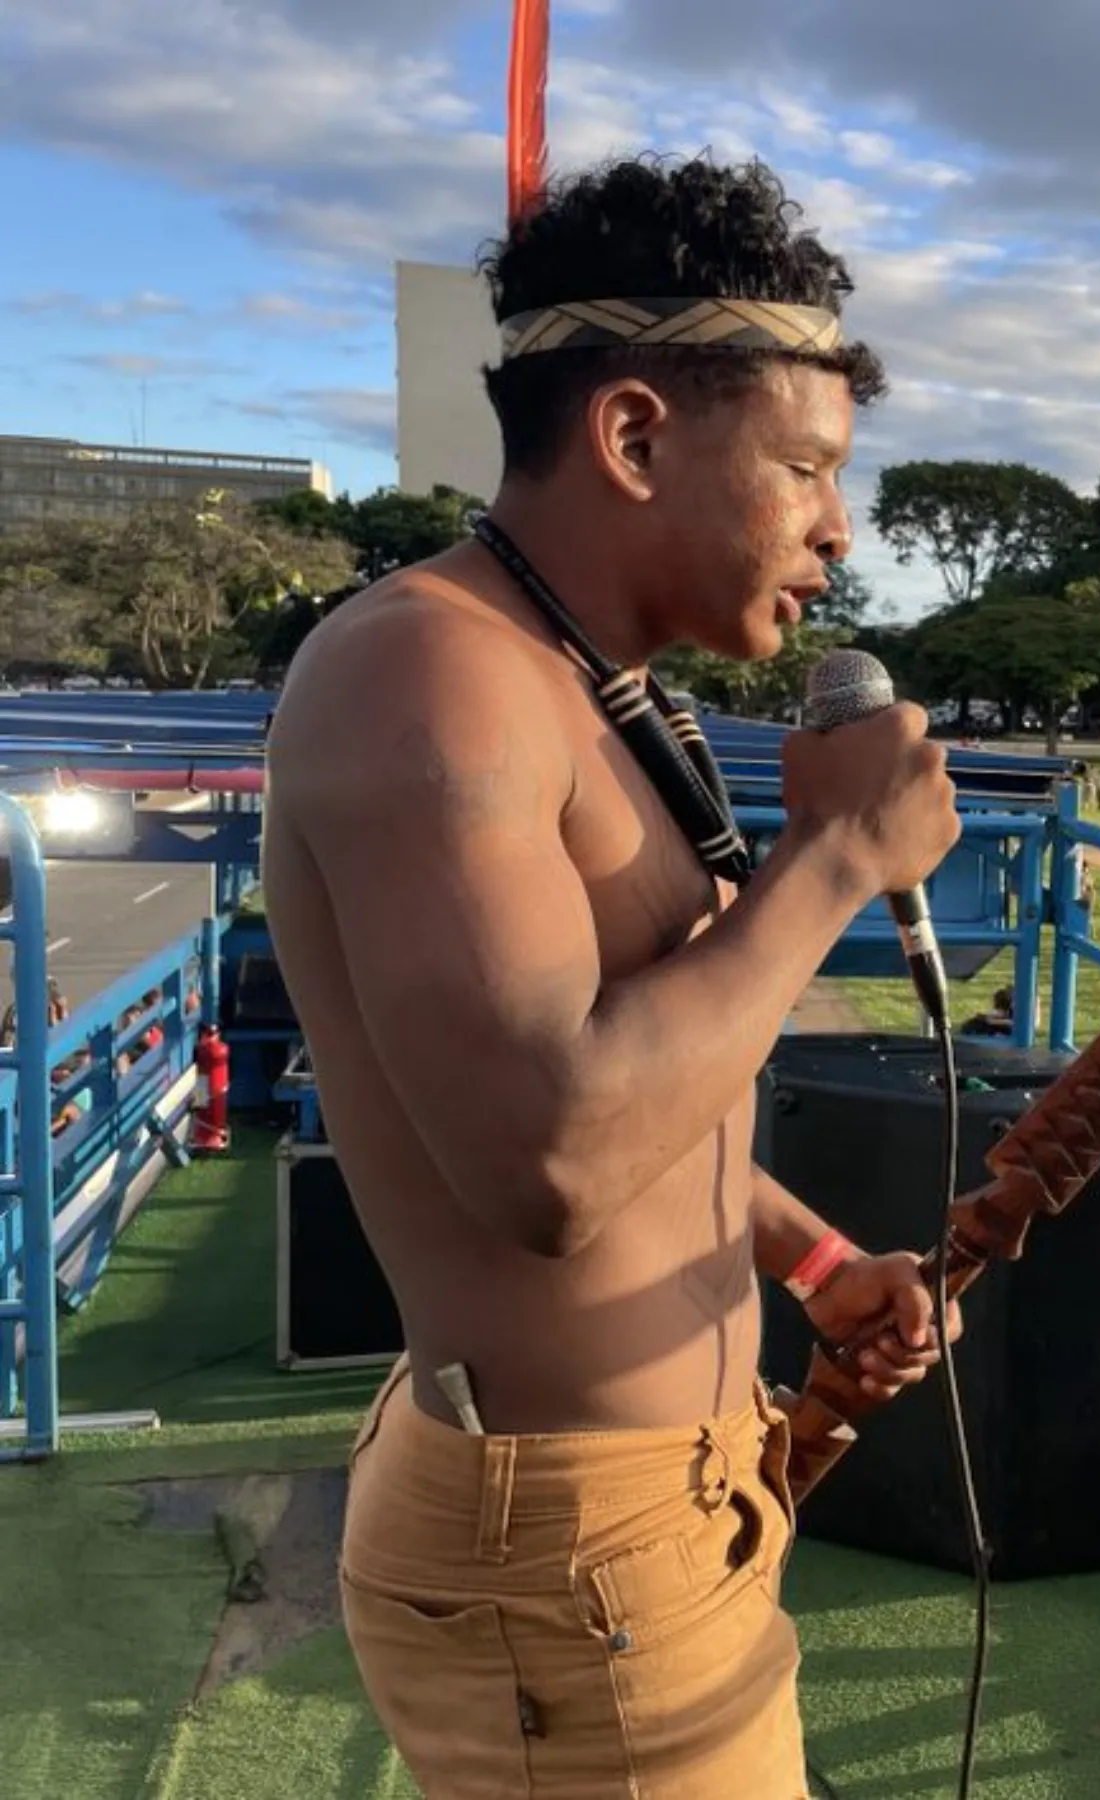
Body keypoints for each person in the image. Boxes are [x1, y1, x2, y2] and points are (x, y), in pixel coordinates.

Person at [261, 155, 963, 1797]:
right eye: (807, 467)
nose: (838, 530)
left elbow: (646, 1079)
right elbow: (551, 1159)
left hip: (657, 1523)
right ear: (636, 435)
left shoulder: (593, 690)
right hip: (568, 1564)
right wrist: (836, 863)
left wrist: (809, 1263)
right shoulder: (432, 673)